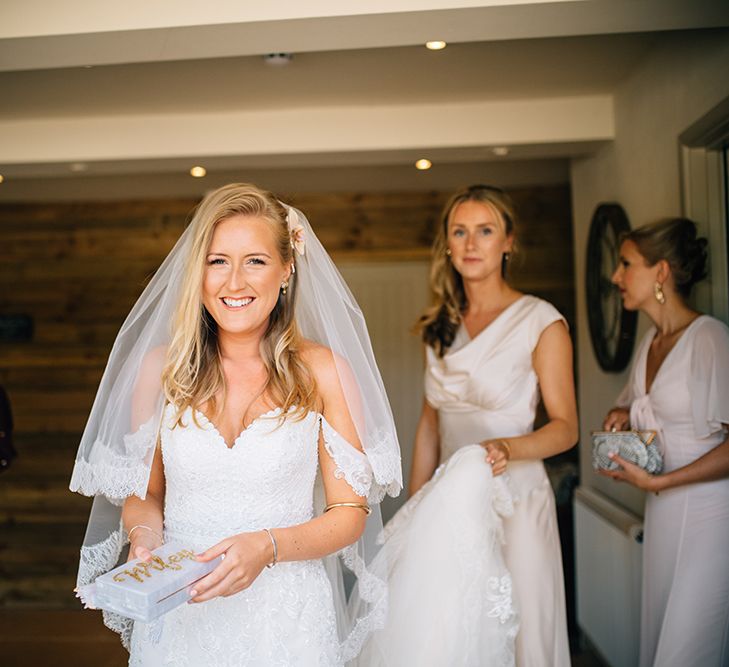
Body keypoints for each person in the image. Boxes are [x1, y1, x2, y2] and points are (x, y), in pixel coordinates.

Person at [70, 183, 402, 665]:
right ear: (197, 271)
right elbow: (146, 494)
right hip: (181, 616)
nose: (234, 282)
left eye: (256, 261)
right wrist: (145, 540)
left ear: (287, 269)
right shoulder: (160, 372)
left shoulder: (326, 372)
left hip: (287, 623)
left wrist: (267, 547)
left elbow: (349, 512)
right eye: (218, 260)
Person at [358, 184, 577, 666]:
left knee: (521, 620)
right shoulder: (438, 326)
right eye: (460, 232)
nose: (472, 243)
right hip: (449, 499)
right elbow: (431, 424)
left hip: (516, 498)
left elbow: (565, 429)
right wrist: (415, 505)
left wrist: (508, 446)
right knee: (447, 625)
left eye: (485, 231)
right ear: (448, 244)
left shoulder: (541, 322)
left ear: (508, 242)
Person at [600, 217, 729, 667]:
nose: (616, 277)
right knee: (659, 640)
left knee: (688, 647)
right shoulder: (652, 342)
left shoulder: (709, 339)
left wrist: (664, 481)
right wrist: (621, 417)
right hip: (663, 512)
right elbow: (640, 406)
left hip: (710, 517)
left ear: (661, 272)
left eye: (626, 264)